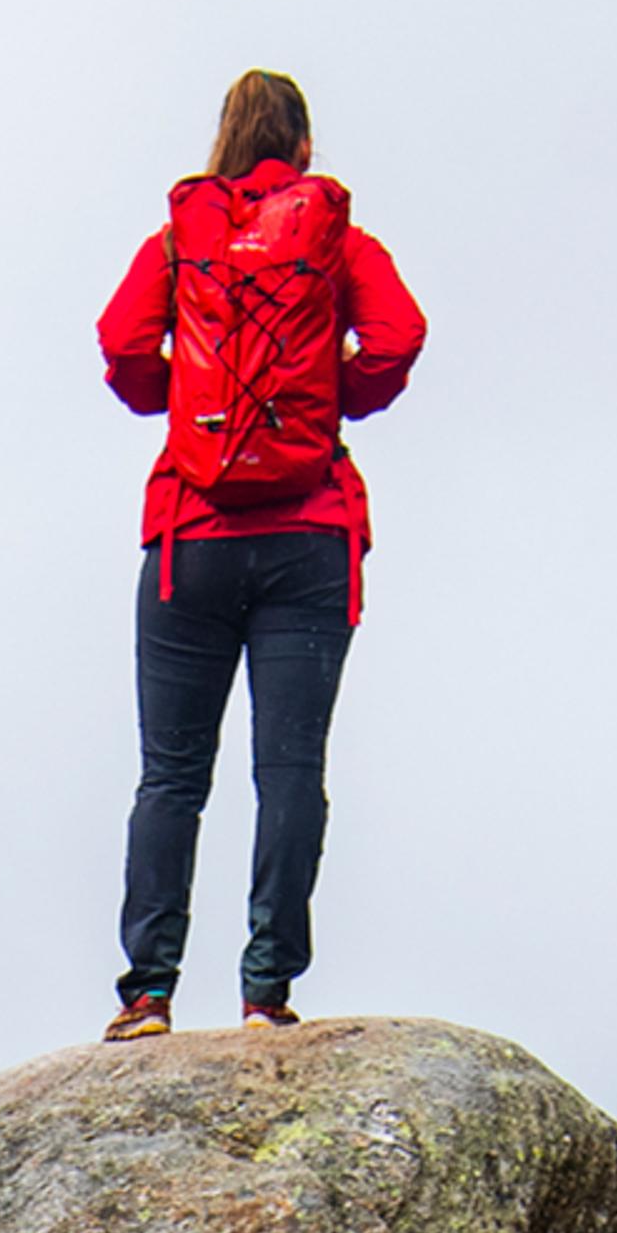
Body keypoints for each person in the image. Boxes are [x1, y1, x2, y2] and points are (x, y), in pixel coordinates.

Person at [95, 69, 425, 1040]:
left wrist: (181, 409)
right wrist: (334, 396)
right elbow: (400, 335)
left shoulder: (178, 239)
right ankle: (265, 991)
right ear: (306, 149)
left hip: (190, 537)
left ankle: (148, 993)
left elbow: (120, 344)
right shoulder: (339, 239)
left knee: (171, 776)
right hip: (309, 534)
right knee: (288, 771)